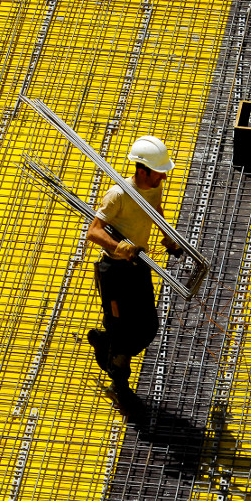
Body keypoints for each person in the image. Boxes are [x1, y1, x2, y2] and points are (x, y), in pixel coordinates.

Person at [86, 135, 182, 411]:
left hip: (138, 266)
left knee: (148, 327)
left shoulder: (153, 187)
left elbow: (154, 209)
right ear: (143, 170)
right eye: (159, 173)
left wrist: (167, 236)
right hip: (115, 273)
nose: (163, 178)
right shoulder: (118, 194)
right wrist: (120, 248)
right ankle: (119, 386)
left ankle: (105, 344)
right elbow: (94, 232)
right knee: (122, 335)